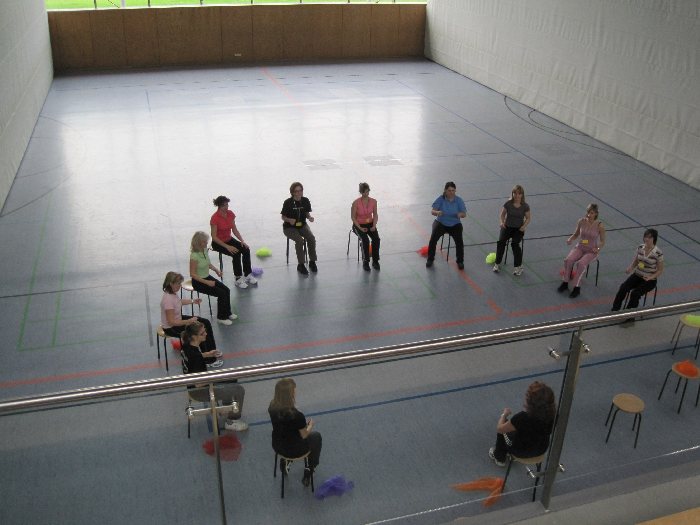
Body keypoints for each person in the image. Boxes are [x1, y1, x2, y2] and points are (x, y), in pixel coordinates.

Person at [180, 321, 248, 431]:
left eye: (205, 331)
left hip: (194, 384)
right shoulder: (196, 358)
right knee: (239, 390)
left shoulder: (187, 346)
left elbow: (193, 357)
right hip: (200, 391)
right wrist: (216, 376)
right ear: (194, 336)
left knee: (231, 378)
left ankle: (227, 408)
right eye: (202, 333)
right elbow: (198, 384)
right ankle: (232, 421)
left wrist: (207, 354)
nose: (206, 334)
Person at [160, 271, 223, 367]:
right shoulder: (168, 300)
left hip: (178, 320)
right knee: (198, 331)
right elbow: (171, 322)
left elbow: (178, 302)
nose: (180, 286)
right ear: (171, 284)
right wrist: (189, 321)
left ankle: (211, 351)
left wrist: (193, 301)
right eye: (178, 284)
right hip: (171, 328)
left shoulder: (172, 293)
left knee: (205, 322)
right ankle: (209, 360)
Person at [268, 377, 322, 486]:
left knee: (289, 437)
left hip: (278, 445)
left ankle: (286, 461)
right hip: (296, 449)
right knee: (316, 437)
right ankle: (310, 469)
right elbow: (304, 435)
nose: (295, 392)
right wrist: (310, 426)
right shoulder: (297, 415)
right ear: (290, 394)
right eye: (294, 390)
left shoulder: (272, 407)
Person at [489, 381, 556, 467]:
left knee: (504, 426)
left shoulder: (522, 418)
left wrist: (504, 414)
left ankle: (499, 457)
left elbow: (500, 428)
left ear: (530, 402)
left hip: (520, 451)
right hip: (541, 449)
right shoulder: (553, 415)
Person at [557, 203, 606, 298]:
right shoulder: (581, 221)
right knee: (568, 260)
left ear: (596, 214)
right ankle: (565, 282)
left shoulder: (600, 225)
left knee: (581, 264)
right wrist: (570, 239)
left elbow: (602, 241)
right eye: (588, 212)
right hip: (580, 247)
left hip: (591, 251)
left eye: (591, 213)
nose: (589, 215)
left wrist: (598, 248)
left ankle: (577, 287)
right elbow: (576, 234)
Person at [611, 228, 664, 314]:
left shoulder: (658, 253)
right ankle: (615, 310)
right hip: (637, 275)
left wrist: (650, 277)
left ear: (654, 239)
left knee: (635, 294)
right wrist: (631, 268)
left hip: (649, 280)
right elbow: (636, 261)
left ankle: (629, 315)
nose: (646, 239)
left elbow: (660, 270)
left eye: (649, 237)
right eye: (645, 237)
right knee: (623, 288)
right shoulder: (640, 247)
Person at [210, 195, 258, 289]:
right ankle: (238, 279)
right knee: (236, 253)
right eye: (224, 205)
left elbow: (234, 229)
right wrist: (227, 247)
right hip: (218, 243)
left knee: (246, 249)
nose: (226, 207)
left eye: (227, 204)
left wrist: (242, 241)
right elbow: (214, 237)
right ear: (219, 206)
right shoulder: (214, 218)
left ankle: (247, 274)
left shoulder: (230, 214)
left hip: (229, 239)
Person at [189, 231, 237, 326]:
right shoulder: (194, 256)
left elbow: (208, 263)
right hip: (199, 282)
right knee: (221, 293)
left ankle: (228, 313)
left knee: (226, 290)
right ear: (198, 243)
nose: (206, 243)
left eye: (206, 241)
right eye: (204, 241)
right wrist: (207, 282)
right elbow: (192, 274)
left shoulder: (204, 250)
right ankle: (221, 318)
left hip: (207, 277)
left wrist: (216, 270)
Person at [426, 181, 467, 270]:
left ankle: (460, 261)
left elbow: (464, 214)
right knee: (433, 239)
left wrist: (460, 214)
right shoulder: (440, 199)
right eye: (449, 190)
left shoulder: (459, 200)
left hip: (455, 224)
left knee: (459, 242)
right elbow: (433, 211)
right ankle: (430, 259)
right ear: (445, 190)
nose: (451, 193)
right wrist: (437, 212)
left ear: (455, 191)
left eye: (453, 190)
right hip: (441, 223)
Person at [493, 185, 530, 276]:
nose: (517, 195)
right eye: (515, 193)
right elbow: (502, 215)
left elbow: (528, 218)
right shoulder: (508, 203)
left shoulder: (525, 206)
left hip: (518, 229)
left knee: (515, 244)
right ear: (512, 194)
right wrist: (502, 222)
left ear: (522, 195)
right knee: (501, 242)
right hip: (507, 227)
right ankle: (497, 263)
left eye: (519, 194)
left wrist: (524, 226)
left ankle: (518, 266)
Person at [281, 182, 318, 275]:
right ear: (292, 192)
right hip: (289, 228)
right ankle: (300, 265)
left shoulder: (305, 200)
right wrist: (289, 220)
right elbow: (283, 217)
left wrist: (309, 217)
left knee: (311, 238)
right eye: (296, 191)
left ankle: (312, 261)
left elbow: (306, 213)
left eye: (300, 190)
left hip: (302, 225)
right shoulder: (288, 202)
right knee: (299, 240)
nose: (299, 193)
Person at [351, 182, 381, 271]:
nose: (366, 194)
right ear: (361, 192)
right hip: (358, 225)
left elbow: (375, 215)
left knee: (376, 239)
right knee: (365, 240)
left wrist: (374, 225)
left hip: (370, 224)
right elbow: (353, 218)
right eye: (364, 192)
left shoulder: (374, 201)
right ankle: (366, 261)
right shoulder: (356, 203)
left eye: (368, 191)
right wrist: (360, 228)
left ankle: (375, 261)